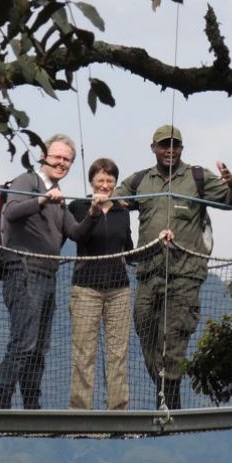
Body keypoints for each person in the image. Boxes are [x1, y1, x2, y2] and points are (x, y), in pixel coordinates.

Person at [115, 124, 232, 409]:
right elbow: (115, 199)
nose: (170, 150)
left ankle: (169, 394)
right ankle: (164, 384)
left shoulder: (197, 178)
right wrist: (114, 203)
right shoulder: (141, 180)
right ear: (153, 148)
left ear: (182, 149)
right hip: (149, 270)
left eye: (175, 145)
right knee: (143, 324)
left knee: (175, 332)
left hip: (186, 272)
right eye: (164, 145)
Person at [0, 134, 108, 409]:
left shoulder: (59, 199)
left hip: (47, 275)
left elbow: (76, 233)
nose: (61, 163)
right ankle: (1, 402)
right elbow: (11, 211)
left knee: (39, 346)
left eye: (67, 160)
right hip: (22, 270)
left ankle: (31, 403)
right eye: (57, 157)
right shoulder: (28, 181)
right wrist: (42, 200)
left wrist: (93, 214)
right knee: (24, 340)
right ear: (43, 156)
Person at [67, 158, 134, 410]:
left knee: (118, 354)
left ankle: (118, 411)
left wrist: (159, 241)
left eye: (110, 181)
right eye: (100, 180)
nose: (105, 185)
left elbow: (129, 251)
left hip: (119, 289)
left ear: (115, 183)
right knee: (84, 354)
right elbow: (77, 235)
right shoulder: (78, 206)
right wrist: (93, 214)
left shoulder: (121, 211)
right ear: (91, 182)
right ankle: (80, 412)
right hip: (86, 289)